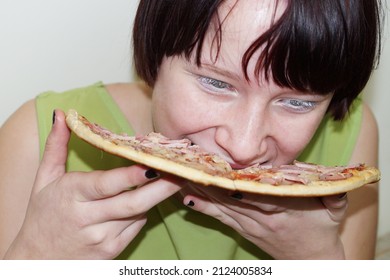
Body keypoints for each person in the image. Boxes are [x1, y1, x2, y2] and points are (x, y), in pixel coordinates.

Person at [0, 0, 383, 259]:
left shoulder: (350, 142)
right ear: (154, 52)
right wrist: (34, 256)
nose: (245, 146)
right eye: (216, 83)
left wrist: (319, 260)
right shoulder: (35, 138)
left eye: (297, 102)